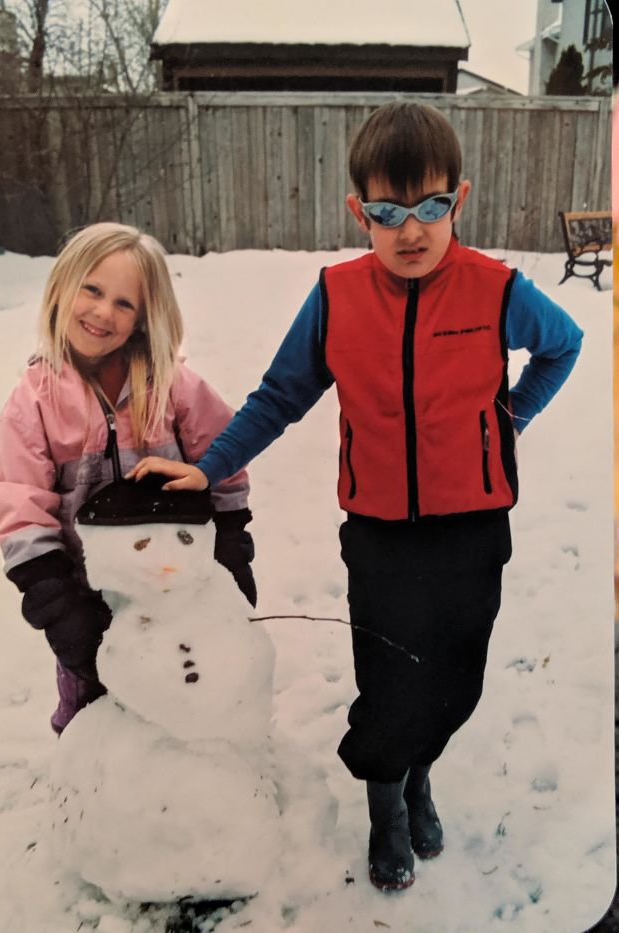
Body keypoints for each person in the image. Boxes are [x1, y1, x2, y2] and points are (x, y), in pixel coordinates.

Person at [125, 102, 584, 892]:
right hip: (379, 530)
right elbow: (279, 396)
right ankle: (387, 805)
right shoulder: (337, 297)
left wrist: (509, 418)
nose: (411, 230)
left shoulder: (497, 289)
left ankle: (418, 772)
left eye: (430, 206)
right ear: (358, 212)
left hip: (474, 526)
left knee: (456, 675)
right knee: (389, 676)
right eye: (388, 212)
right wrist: (210, 465)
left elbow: (564, 344)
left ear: (459, 200)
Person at [0, 222, 256, 735]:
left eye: (124, 303)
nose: (103, 312)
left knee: (188, 705)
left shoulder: (172, 386)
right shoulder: (35, 401)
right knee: (95, 721)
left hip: (176, 592)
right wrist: (56, 602)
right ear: (63, 286)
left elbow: (222, 462)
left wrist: (231, 549)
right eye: (92, 290)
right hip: (85, 595)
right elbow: (19, 504)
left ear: (143, 318)